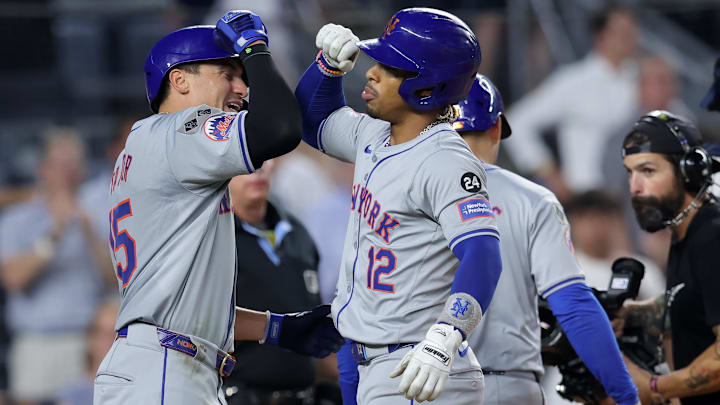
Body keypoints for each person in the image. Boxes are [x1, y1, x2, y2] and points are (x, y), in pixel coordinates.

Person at [94, 10, 343, 405]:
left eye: (242, 74)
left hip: (170, 362)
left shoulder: (157, 148)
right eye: (227, 73)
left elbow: (186, 304)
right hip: (165, 369)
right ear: (179, 80)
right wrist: (256, 48)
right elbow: (278, 129)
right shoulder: (179, 131)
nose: (242, 87)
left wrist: (274, 328)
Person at [295, 8, 503, 404]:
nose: (372, 72)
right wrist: (327, 67)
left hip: (415, 365)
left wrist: (446, 335)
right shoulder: (375, 134)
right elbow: (313, 122)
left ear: (427, 88)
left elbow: (483, 253)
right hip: (368, 359)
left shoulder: (446, 160)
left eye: (390, 67)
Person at [455, 74, 640, 404]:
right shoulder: (530, 199)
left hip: (411, 383)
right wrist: (626, 396)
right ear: (496, 128)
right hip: (503, 386)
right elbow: (574, 307)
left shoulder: (395, 195)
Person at [614, 110, 720, 404]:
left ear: (689, 171)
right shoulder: (686, 232)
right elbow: (694, 300)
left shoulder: (712, 238)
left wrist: (656, 388)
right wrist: (634, 313)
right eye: (630, 172)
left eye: (648, 171)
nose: (634, 187)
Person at [0, 129, 110, 405]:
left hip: (90, 344)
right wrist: (55, 232)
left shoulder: (99, 212)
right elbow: (14, 279)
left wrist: (88, 230)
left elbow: (116, 279)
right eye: (60, 164)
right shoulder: (18, 218)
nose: (67, 172)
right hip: (38, 345)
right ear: (43, 168)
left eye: (74, 164)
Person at [223, 160, 340, 405]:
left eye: (264, 158)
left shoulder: (299, 233)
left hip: (303, 396)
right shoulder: (212, 237)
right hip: (237, 396)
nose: (258, 169)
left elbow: (313, 337)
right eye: (247, 160)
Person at [504, 5, 638, 200]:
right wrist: (548, 171)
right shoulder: (574, 81)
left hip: (632, 198)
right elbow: (516, 122)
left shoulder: (642, 80)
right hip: (586, 197)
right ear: (599, 36)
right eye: (621, 32)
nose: (629, 39)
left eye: (632, 32)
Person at [56, 299, 120, 405]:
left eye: (116, 334)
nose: (109, 341)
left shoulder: (142, 391)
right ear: (90, 339)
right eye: (102, 333)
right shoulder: (71, 397)